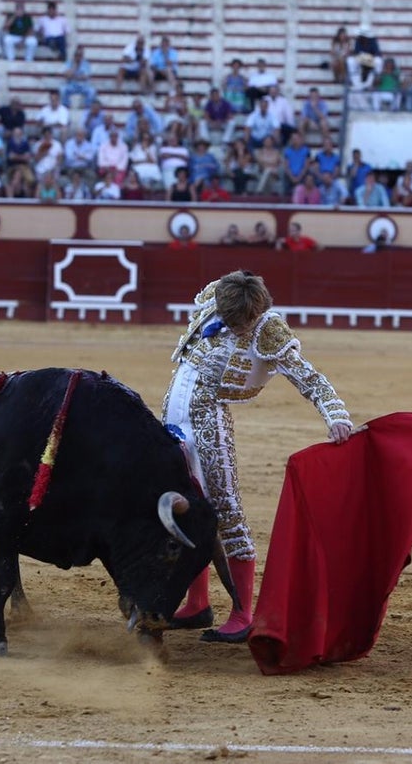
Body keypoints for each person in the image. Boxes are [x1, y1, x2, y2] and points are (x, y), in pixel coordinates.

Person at [162, 270, 353, 643]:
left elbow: (311, 379)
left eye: (242, 322)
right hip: (173, 417)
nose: (236, 327)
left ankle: (242, 613)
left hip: (209, 425)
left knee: (226, 511)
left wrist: (336, 416)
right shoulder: (216, 298)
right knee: (186, 507)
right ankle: (197, 603)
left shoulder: (268, 328)